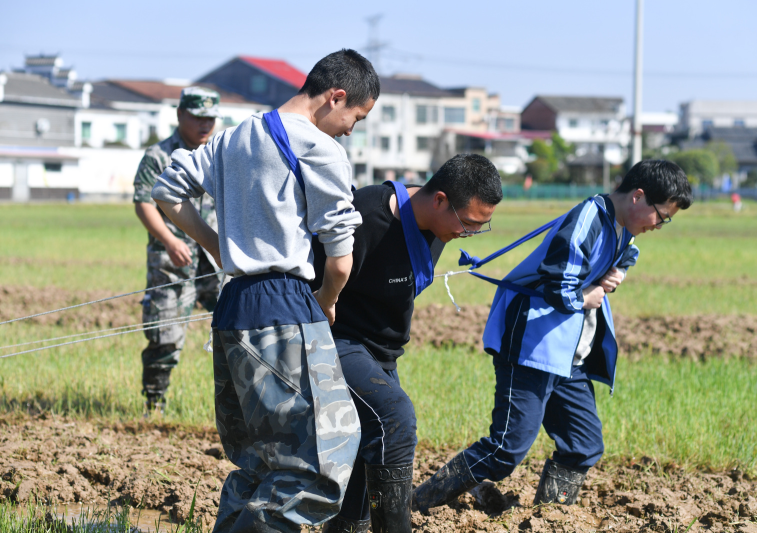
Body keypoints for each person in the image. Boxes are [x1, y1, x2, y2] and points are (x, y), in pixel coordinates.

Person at [151, 49, 380, 533]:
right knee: (323, 462)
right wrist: (326, 301)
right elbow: (340, 260)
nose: (350, 130)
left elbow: (166, 191)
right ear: (335, 97)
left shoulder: (233, 137)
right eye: (355, 117)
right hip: (284, 309)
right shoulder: (318, 147)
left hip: (234, 309)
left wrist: (219, 247)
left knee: (260, 461)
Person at [413, 159, 693, 512]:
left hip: (568, 355)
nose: (660, 225)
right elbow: (557, 280)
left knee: (583, 444)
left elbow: (628, 254)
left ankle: (551, 517)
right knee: (506, 449)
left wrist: (616, 272)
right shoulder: (590, 217)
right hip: (533, 345)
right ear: (638, 196)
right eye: (662, 216)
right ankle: (417, 503)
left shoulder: (625, 229)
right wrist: (587, 296)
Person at [310, 154, 503, 533]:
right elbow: (313, 284)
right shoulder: (367, 216)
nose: (468, 233)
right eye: (468, 224)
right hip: (337, 338)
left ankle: (346, 528)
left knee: (373, 441)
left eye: (480, 228)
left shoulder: (439, 225)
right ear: (440, 200)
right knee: (394, 417)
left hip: (383, 352)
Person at [132, 86, 223, 413]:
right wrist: (171, 241)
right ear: (180, 115)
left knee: (238, 325)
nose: (205, 125)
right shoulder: (158, 155)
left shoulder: (217, 153)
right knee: (164, 335)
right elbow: (143, 203)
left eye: (210, 118)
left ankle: (238, 404)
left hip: (215, 261)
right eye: (198, 118)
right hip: (172, 261)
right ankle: (154, 405)